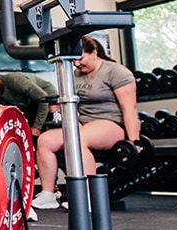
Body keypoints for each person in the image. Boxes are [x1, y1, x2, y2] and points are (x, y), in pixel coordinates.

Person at [32, 36, 140, 210]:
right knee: (45, 140)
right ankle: (48, 194)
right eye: (73, 60)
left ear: (94, 52)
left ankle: (88, 197)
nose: (76, 64)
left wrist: (135, 142)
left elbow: (130, 108)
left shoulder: (116, 72)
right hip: (85, 125)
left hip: (111, 124)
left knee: (78, 139)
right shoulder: (76, 75)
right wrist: (61, 107)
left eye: (80, 58)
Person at [0, 69, 57, 137]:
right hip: (28, 104)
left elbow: (43, 97)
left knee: (38, 134)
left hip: (45, 96)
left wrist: (37, 126)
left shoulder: (14, 80)